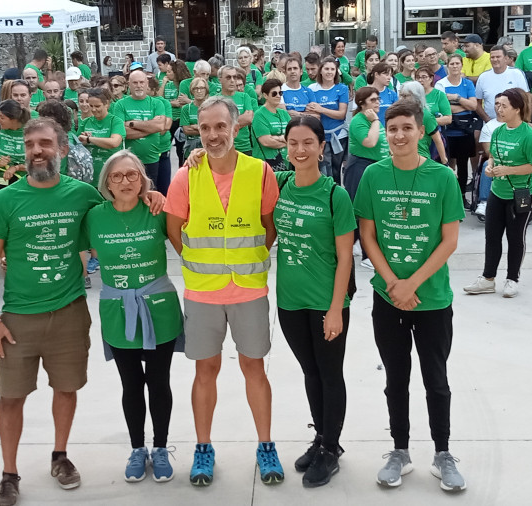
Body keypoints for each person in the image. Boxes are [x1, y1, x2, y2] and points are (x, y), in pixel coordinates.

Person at [164, 96, 283, 487]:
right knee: (205, 370)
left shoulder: (260, 172)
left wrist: (247, 259)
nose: (213, 135)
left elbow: (269, 226)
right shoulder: (185, 175)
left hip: (248, 289)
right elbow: (174, 230)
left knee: (254, 368)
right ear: (198, 131)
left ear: (236, 127)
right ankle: (203, 448)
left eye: (221, 127)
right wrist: (203, 264)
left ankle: (266, 445)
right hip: (203, 293)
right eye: (206, 128)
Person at [0, 118, 99, 505]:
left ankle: (60, 456)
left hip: (69, 311)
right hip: (18, 319)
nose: (36, 151)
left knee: (66, 389)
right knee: (11, 396)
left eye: (45, 143)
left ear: (62, 149)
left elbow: (120, 212)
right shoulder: (6, 200)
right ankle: (9, 473)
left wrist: (153, 196)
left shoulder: (82, 194)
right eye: (30, 144)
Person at [353, 100, 466, 492]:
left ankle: (443, 453)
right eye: (392, 128)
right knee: (396, 378)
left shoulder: (442, 177)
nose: (399, 135)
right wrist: (392, 284)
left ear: (421, 131)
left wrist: (412, 283)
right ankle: (399, 451)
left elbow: (449, 241)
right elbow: (367, 235)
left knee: (436, 379)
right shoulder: (373, 175)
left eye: (406, 128)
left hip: (431, 298)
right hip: (388, 299)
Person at [87, 149, 182, 483]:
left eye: (132, 175)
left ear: (143, 179)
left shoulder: (157, 210)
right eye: (117, 176)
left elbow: (187, 236)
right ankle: (137, 448)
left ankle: (160, 447)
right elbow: (73, 251)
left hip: (159, 308)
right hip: (117, 309)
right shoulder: (94, 216)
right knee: (131, 384)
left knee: (159, 382)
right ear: (107, 184)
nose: (125, 181)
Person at [273, 116, 355, 487]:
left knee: (329, 374)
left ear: (322, 148)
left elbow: (346, 257)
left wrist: (336, 308)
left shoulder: (335, 195)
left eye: (308, 143)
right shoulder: (281, 184)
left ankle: (332, 449)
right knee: (310, 372)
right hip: (290, 301)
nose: (300, 150)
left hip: (326, 301)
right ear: (285, 146)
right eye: (293, 143)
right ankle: (321, 437)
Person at [463, 89, 532, 298]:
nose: (499, 108)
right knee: (492, 237)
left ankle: (512, 279)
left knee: (515, 238)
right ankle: (488, 279)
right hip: (498, 192)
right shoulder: (497, 131)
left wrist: (510, 170)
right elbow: (493, 158)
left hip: (521, 193)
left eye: (504, 105)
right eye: (497, 104)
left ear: (517, 109)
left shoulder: (528, 134)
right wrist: (490, 167)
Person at [346, 87, 389, 269]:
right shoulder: (360, 121)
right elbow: (370, 142)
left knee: (372, 211)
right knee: (363, 212)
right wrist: (376, 121)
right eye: (373, 100)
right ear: (362, 103)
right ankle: (367, 255)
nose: (378, 102)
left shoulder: (374, 121)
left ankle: (353, 244)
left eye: (378, 99)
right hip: (360, 167)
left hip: (377, 167)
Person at [436, 54, 478, 206]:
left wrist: (456, 98)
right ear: (447, 66)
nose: (454, 66)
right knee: (446, 164)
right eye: (451, 64)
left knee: (463, 165)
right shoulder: (441, 84)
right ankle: (447, 197)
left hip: (464, 131)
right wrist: (463, 105)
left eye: (457, 63)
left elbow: (474, 106)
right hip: (447, 130)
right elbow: (441, 107)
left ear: (461, 65)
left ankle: (461, 196)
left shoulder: (467, 84)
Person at [112, 68, 167, 182]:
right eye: (135, 82)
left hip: (151, 159)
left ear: (147, 84)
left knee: (150, 194)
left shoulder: (157, 103)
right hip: (129, 160)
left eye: (142, 82)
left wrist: (132, 124)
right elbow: (123, 133)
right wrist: (151, 127)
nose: (139, 86)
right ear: (129, 85)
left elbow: (161, 127)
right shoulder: (120, 105)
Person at [306, 57, 349, 182]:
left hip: (339, 136)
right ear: (320, 71)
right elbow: (312, 112)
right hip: (320, 137)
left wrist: (321, 109)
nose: (329, 72)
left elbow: (341, 114)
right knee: (324, 170)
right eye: (326, 69)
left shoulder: (342, 89)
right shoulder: (312, 88)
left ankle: (336, 197)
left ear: (336, 72)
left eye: (332, 69)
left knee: (336, 170)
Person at [78, 88, 125, 188]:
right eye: (91, 106)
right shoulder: (86, 122)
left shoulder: (116, 121)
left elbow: (114, 142)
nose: (94, 109)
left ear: (107, 104)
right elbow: (77, 144)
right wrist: (82, 141)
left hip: (111, 172)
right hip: (90, 175)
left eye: (97, 106)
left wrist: (89, 139)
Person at [474, 46, 530, 128]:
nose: (495, 59)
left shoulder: (517, 74)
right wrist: (487, 120)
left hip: (514, 124)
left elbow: (527, 99)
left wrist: (526, 121)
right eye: (492, 57)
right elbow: (477, 103)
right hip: (490, 124)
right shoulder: (483, 77)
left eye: (498, 57)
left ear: (506, 58)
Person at [397, 82, 447, 165]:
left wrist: (444, 162)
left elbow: (438, 140)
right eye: (401, 95)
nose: (401, 99)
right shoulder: (397, 114)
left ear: (416, 96)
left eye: (405, 96)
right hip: (401, 158)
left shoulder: (426, 115)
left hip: (420, 159)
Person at [252, 79, 290, 170]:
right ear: (265, 95)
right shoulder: (259, 115)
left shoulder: (284, 113)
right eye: (274, 93)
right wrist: (288, 142)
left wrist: (278, 138)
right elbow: (266, 141)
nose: (278, 96)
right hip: (266, 165)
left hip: (287, 162)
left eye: (280, 93)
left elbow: (295, 135)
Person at [218, 66, 257, 157]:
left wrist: (225, 123)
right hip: (224, 147)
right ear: (220, 80)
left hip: (244, 147)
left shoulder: (244, 96)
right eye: (228, 77)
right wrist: (239, 121)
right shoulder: (216, 99)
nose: (232, 80)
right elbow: (216, 125)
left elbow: (248, 118)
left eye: (234, 77)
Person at [160, 59, 192, 167]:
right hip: (169, 119)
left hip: (179, 120)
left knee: (180, 150)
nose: (167, 74)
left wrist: (169, 103)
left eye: (169, 71)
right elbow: (160, 100)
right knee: (163, 148)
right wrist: (164, 84)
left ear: (176, 72)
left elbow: (181, 103)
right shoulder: (167, 84)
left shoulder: (184, 85)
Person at [179, 77, 208, 160]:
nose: (199, 91)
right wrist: (204, 128)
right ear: (192, 91)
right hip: (190, 146)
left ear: (206, 90)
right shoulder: (186, 108)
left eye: (202, 88)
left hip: (207, 145)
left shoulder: (211, 107)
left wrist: (194, 126)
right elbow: (186, 130)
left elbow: (212, 129)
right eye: (196, 88)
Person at [368, 62, 399, 127]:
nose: (389, 77)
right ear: (376, 74)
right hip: (369, 131)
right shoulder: (365, 92)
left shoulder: (392, 94)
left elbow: (397, 115)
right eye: (386, 74)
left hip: (387, 132)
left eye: (390, 75)